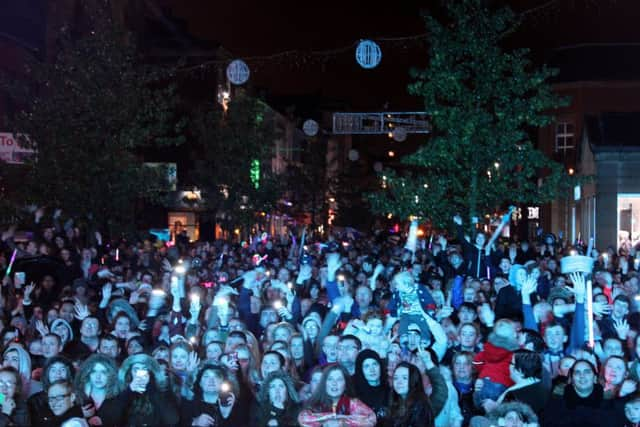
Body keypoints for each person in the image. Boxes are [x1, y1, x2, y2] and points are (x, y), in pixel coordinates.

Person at [298, 364, 376, 427]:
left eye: (339, 379)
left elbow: (371, 418)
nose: (334, 383)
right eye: (330, 379)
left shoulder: (353, 403)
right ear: (324, 383)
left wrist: (342, 422)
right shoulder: (314, 404)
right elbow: (303, 419)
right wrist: (328, 420)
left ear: (345, 385)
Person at [114, 353, 179, 426]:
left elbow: (172, 420)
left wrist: (152, 389)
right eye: (136, 369)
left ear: (150, 372)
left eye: (145, 369)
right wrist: (129, 390)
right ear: (130, 372)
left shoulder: (161, 391)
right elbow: (113, 419)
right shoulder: (122, 391)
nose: (140, 373)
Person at [179, 363, 246, 427]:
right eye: (206, 376)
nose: (211, 380)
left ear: (223, 382)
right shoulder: (188, 404)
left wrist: (226, 415)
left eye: (216, 376)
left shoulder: (234, 404)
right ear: (200, 383)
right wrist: (194, 422)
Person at [73, 354, 121, 426]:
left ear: (111, 374)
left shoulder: (118, 397)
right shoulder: (78, 395)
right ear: (88, 373)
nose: (98, 376)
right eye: (94, 371)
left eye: (103, 372)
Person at [382, 362, 434, 427]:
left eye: (404, 378)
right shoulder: (395, 401)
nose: (399, 382)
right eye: (396, 378)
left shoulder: (420, 405)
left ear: (414, 380)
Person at [28, 355, 75, 427]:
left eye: (62, 370)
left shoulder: (76, 397)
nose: (58, 373)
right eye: (53, 370)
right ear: (47, 374)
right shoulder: (35, 401)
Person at [353, 349, 389, 420]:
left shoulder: (390, 390)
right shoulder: (354, 395)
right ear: (361, 370)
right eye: (366, 366)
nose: (372, 369)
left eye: (375, 364)